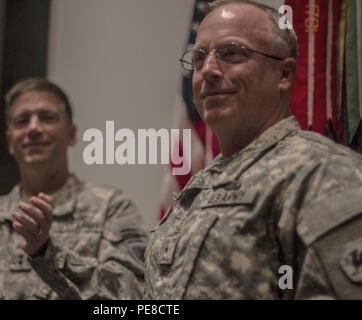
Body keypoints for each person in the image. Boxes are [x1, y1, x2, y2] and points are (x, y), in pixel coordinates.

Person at [145, 0, 362, 299]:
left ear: (284, 75)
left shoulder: (326, 173)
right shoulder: (198, 186)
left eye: (231, 53)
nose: (208, 70)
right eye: (198, 58)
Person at [0, 77, 147, 300]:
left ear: (71, 134)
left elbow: (135, 296)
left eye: (47, 118)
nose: (33, 128)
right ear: (10, 141)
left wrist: (47, 254)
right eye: (22, 121)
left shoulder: (111, 208)